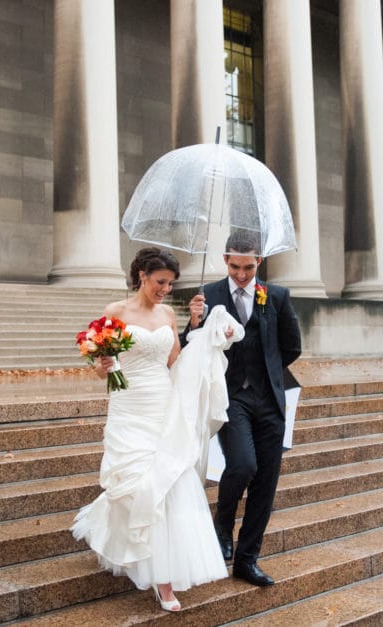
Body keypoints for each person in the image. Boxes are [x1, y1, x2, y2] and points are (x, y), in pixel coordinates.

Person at [72, 247, 228, 612]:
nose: (165, 289)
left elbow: (175, 362)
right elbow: (99, 366)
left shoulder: (167, 314)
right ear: (142, 275)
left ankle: (164, 579)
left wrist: (198, 329)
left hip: (162, 404)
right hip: (128, 405)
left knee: (166, 481)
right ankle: (131, 549)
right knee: (135, 481)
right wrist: (104, 364)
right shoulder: (115, 312)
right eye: (160, 281)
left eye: (170, 284)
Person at [185, 230, 302, 587]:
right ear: (225, 260)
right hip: (230, 397)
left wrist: (267, 370)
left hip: (269, 401)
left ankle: (247, 561)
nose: (241, 274)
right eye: (235, 266)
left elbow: (292, 346)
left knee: (265, 484)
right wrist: (193, 323)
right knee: (243, 464)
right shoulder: (209, 296)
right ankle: (223, 523)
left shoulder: (277, 296)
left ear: (259, 262)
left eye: (248, 268)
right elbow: (188, 348)